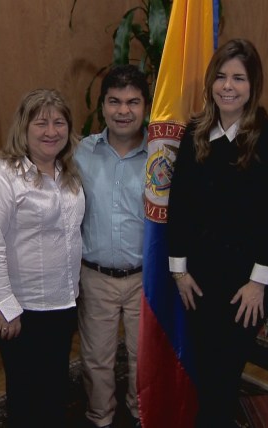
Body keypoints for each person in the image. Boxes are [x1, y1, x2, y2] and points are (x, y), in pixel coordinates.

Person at [167, 38, 268, 427]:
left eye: (238, 78)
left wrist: (259, 283)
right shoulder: (195, 133)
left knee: (225, 372)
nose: (228, 86)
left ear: (253, 85)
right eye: (220, 76)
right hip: (198, 279)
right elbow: (180, 206)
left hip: (245, 284)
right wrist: (179, 270)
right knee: (204, 369)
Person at [0, 88, 84, 427]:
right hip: (23, 309)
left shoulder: (68, 172)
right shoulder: (1, 177)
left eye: (59, 122)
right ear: (23, 127)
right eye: (41, 123)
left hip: (62, 302)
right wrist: (4, 306)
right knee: (25, 395)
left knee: (54, 389)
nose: (52, 131)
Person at [75, 64, 149, 428]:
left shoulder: (162, 157)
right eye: (115, 101)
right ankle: (100, 417)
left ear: (145, 107)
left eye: (133, 102)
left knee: (143, 357)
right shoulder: (79, 155)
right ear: (102, 106)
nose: (123, 111)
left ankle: (140, 414)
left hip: (145, 278)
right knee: (97, 358)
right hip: (97, 277)